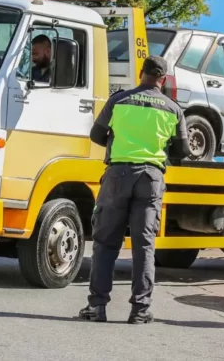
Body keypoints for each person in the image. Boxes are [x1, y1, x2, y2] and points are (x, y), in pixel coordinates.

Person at [78, 55, 190, 324]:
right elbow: (183, 150)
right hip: (151, 178)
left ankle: (97, 307)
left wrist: (115, 141)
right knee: (144, 246)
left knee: (106, 243)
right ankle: (140, 310)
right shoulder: (173, 109)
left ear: (141, 73)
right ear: (162, 80)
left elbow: (96, 135)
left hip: (118, 174)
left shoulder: (119, 100)